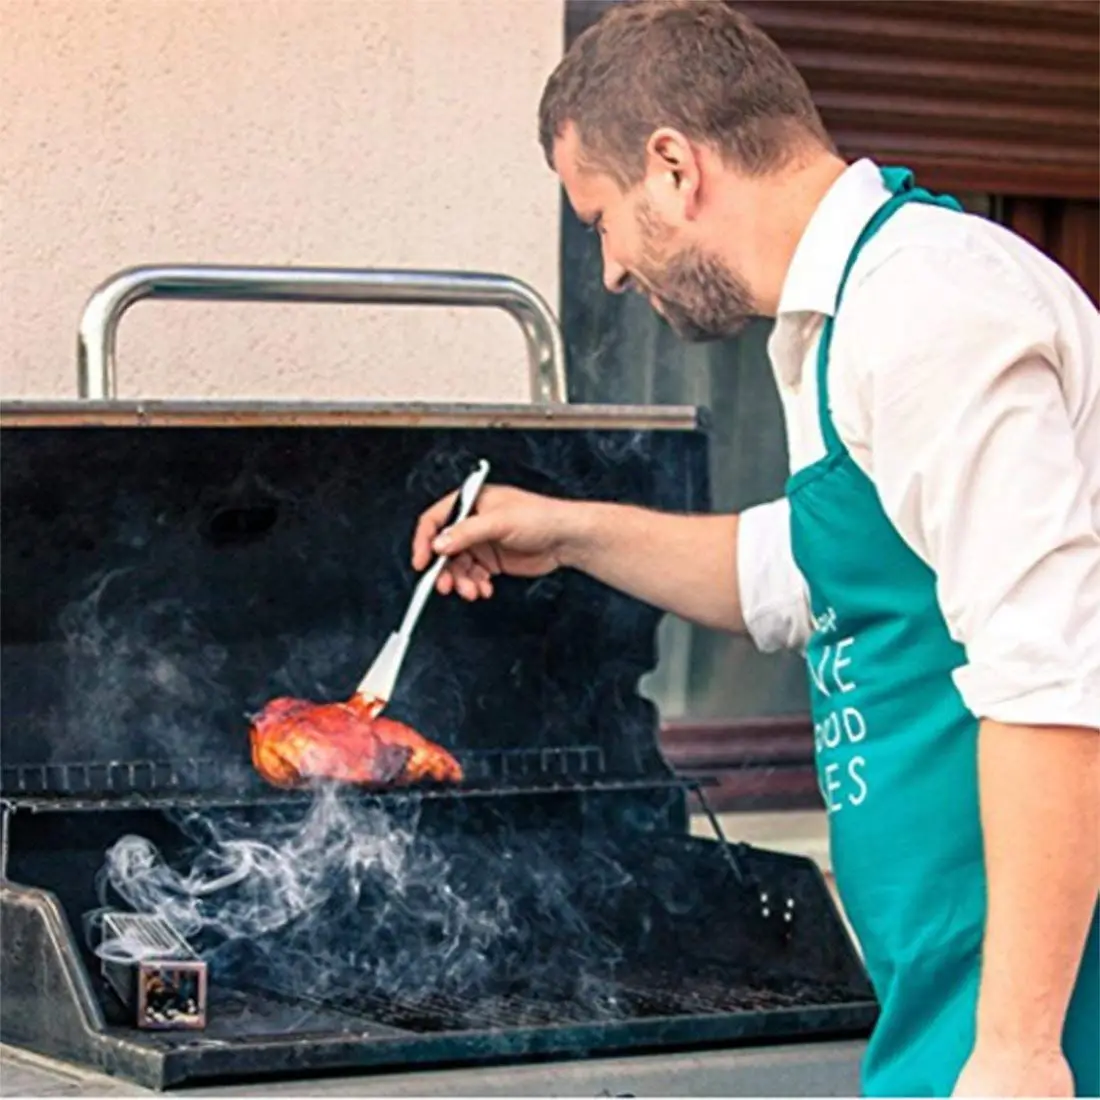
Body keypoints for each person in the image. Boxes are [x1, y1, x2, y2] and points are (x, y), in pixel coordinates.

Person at [410, 2, 1099, 1095]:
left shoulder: (927, 308)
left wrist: (1017, 1050)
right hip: (949, 978)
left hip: (1048, 1005)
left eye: (598, 220)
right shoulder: (833, 324)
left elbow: (1052, 680)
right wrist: (569, 529)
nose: (609, 275)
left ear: (672, 168)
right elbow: (802, 572)